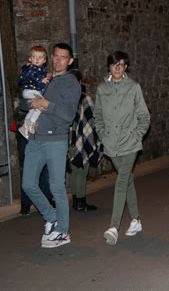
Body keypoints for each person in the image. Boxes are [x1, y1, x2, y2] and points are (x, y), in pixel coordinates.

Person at [21, 43, 81, 248]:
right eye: (55, 56)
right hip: (35, 139)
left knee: (57, 187)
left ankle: (63, 231)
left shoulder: (71, 84)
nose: (58, 60)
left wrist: (45, 104)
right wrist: (31, 103)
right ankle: (51, 216)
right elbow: (22, 101)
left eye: (63, 57)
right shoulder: (41, 77)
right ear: (50, 57)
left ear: (70, 61)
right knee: (28, 184)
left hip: (56, 141)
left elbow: (67, 115)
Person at [94, 51, 151, 246]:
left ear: (126, 67)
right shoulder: (102, 89)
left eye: (121, 64)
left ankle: (113, 227)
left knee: (120, 181)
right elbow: (98, 116)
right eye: (114, 64)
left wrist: (136, 135)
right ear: (109, 67)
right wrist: (102, 134)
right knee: (126, 181)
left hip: (130, 142)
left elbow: (144, 116)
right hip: (111, 142)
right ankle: (136, 220)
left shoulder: (134, 87)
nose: (117, 68)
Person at [67, 72, 103, 212]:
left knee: (75, 170)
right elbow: (91, 121)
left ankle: (76, 201)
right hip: (81, 139)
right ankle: (80, 202)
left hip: (69, 140)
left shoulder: (65, 97)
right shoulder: (84, 98)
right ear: (80, 81)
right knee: (81, 171)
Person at [17, 45, 52, 139]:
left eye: (40, 57)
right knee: (41, 104)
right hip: (30, 91)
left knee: (33, 109)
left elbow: (42, 75)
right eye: (34, 57)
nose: (37, 59)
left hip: (31, 91)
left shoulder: (40, 70)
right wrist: (41, 81)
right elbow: (32, 78)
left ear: (44, 60)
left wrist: (47, 75)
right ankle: (32, 122)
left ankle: (25, 126)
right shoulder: (31, 69)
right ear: (30, 59)